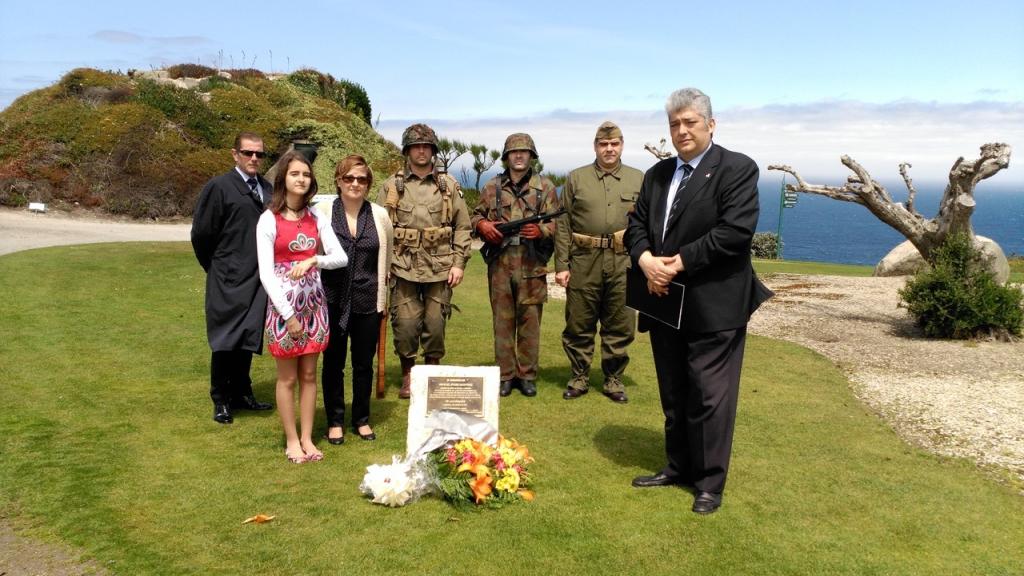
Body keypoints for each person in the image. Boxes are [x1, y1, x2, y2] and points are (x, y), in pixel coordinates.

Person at [624, 88, 773, 514]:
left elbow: (735, 232)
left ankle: (709, 482)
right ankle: (678, 466)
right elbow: (635, 226)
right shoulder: (657, 175)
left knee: (710, 395)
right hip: (663, 299)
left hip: (715, 303)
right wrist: (646, 259)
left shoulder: (737, 169)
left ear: (711, 124)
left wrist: (678, 263)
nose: (682, 130)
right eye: (675, 124)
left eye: (690, 122)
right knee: (674, 391)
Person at [257, 151, 348, 463]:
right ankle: (292, 440)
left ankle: (308, 438)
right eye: (295, 174)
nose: (301, 179)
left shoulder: (316, 217)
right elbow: (266, 274)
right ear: (283, 177)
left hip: (314, 306)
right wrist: (288, 315)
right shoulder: (269, 219)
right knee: (288, 378)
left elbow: (340, 257)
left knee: (309, 375)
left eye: (306, 175)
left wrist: (314, 258)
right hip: (285, 311)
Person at [377, 124, 472, 399]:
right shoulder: (391, 187)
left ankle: (431, 373)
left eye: (426, 146)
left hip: (440, 267)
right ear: (407, 150)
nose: (421, 150)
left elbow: (463, 227)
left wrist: (458, 263)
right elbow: (380, 228)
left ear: (433, 150)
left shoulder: (448, 186)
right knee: (405, 325)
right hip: (402, 267)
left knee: (435, 324)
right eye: (416, 146)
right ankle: (409, 374)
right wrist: (383, 268)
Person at [554, 121, 643, 404]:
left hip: (623, 261)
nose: (609, 149)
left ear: (622, 145)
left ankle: (613, 379)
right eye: (603, 144)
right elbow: (563, 222)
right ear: (595, 146)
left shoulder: (638, 178)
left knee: (620, 322)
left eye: (614, 144)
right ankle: (579, 376)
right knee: (579, 321)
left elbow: (646, 223)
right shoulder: (576, 178)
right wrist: (562, 265)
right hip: (584, 260)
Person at [191, 131, 275, 424]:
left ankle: (242, 392)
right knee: (225, 339)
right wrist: (215, 267)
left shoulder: (267, 189)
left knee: (247, 337)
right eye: (248, 153)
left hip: (258, 277)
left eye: (259, 154)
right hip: (227, 275)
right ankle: (221, 399)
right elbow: (202, 234)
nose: (254, 158)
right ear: (235, 154)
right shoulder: (219, 187)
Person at [472, 133, 560, 398]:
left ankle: (527, 375)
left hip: (532, 262)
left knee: (530, 321)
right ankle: (506, 375)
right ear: (507, 156)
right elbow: (476, 216)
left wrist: (541, 231)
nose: (519, 156)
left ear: (532, 156)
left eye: (524, 152)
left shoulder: (545, 187)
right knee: (502, 321)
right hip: (500, 263)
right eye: (514, 152)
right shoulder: (492, 187)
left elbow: (557, 224)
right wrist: (484, 226)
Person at [319, 155, 394, 444]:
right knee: (334, 362)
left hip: (367, 298)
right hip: (332, 298)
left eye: (361, 179)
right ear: (338, 180)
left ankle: (361, 419)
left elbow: (386, 255)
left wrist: (382, 293)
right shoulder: (323, 211)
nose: (355, 184)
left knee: (364, 363)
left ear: (368, 183)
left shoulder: (380, 215)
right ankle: (335, 420)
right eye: (349, 178)